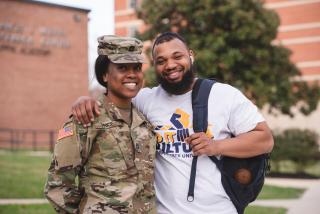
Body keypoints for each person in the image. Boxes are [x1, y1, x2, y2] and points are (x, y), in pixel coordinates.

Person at [71, 32, 274, 214]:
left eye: (177, 56)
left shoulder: (224, 95)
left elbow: (264, 139)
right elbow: (113, 100)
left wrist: (216, 146)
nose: (170, 65)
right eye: (161, 60)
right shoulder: (145, 99)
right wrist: (85, 100)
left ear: (190, 56)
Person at [44, 35, 157, 214]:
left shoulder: (144, 121)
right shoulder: (87, 118)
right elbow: (57, 185)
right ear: (104, 74)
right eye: (122, 68)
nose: (132, 75)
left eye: (137, 68)